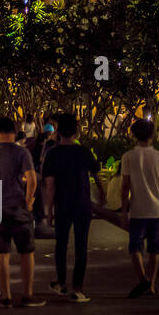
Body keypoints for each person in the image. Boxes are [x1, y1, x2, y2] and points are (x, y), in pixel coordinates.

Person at [0, 117, 44, 308]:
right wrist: (29, 202)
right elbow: (32, 180)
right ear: (15, 132)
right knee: (26, 252)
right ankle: (27, 295)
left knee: (1, 253)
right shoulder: (22, 153)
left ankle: (5, 296)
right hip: (18, 209)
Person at [41, 112, 105, 301]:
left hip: (63, 206)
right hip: (83, 206)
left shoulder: (52, 154)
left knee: (60, 245)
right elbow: (96, 174)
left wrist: (49, 211)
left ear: (58, 132)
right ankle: (77, 288)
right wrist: (102, 193)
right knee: (81, 246)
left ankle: (61, 283)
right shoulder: (84, 152)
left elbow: (50, 187)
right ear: (76, 132)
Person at [121, 118, 159, 295]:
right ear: (152, 135)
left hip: (137, 210)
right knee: (154, 249)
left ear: (134, 135)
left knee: (135, 247)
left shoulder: (128, 157)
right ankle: (151, 283)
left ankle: (143, 279)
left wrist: (124, 210)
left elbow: (125, 186)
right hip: (157, 210)